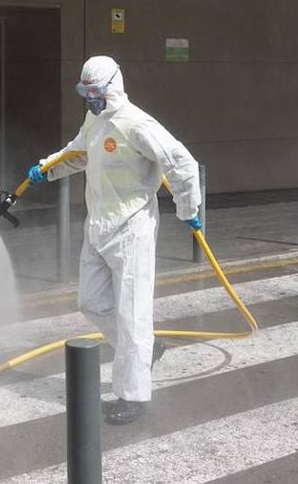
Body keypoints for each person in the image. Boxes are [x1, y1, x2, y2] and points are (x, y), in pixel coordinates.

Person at [28, 55, 203, 425]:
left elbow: (182, 163)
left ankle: (133, 396)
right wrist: (47, 168)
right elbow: (79, 153)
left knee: (133, 315)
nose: (89, 98)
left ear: (113, 87)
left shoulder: (136, 124)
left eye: (94, 92)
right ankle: (146, 350)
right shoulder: (94, 120)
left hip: (131, 228)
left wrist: (188, 209)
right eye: (84, 92)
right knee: (90, 302)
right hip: (98, 225)